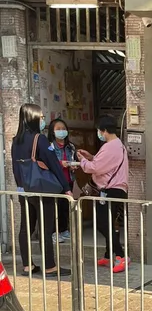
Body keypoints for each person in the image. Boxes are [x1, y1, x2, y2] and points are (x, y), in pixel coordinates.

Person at [11, 103, 72, 276]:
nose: (43, 120)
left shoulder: (16, 140)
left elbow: (16, 168)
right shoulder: (40, 139)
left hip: (25, 189)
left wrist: (21, 187)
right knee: (46, 228)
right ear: (34, 118)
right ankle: (50, 266)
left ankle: (27, 266)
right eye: (41, 117)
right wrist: (66, 188)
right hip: (42, 190)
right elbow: (54, 164)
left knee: (26, 228)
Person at [77, 116, 129, 274]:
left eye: (99, 130)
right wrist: (91, 157)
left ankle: (120, 255)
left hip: (110, 190)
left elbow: (96, 167)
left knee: (102, 223)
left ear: (104, 131)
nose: (99, 133)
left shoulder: (110, 146)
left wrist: (82, 161)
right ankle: (108, 255)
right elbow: (104, 163)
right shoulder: (117, 145)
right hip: (117, 189)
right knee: (109, 222)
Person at [47, 119, 77, 243]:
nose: (61, 131)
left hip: (68, 180)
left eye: (63, 128)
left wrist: (74, 166)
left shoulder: (71, 147)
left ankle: (64, 230)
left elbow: (73, 159)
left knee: (65, 207)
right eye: (58, 129)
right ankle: (54, 232)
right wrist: (60, 164)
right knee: (55, 207)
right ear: (52, 132)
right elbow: (48, 163)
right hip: (55, 181)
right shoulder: (49, 146)